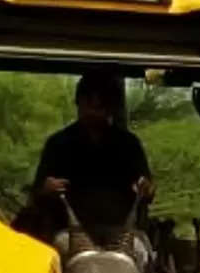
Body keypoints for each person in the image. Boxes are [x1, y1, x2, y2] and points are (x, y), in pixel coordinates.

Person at [20, 70, 155, 258]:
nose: (93, 111)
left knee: (141, 253)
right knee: (58, 251)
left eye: (99, 105)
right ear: (79, 104)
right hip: (70, 232)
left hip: (122, 232)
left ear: (110, 108)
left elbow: (147, 189)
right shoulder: (58, 143)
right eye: (88, 103)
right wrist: (47, 188)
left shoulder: (129, 144)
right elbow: (37, 192)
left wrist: (145, 188)